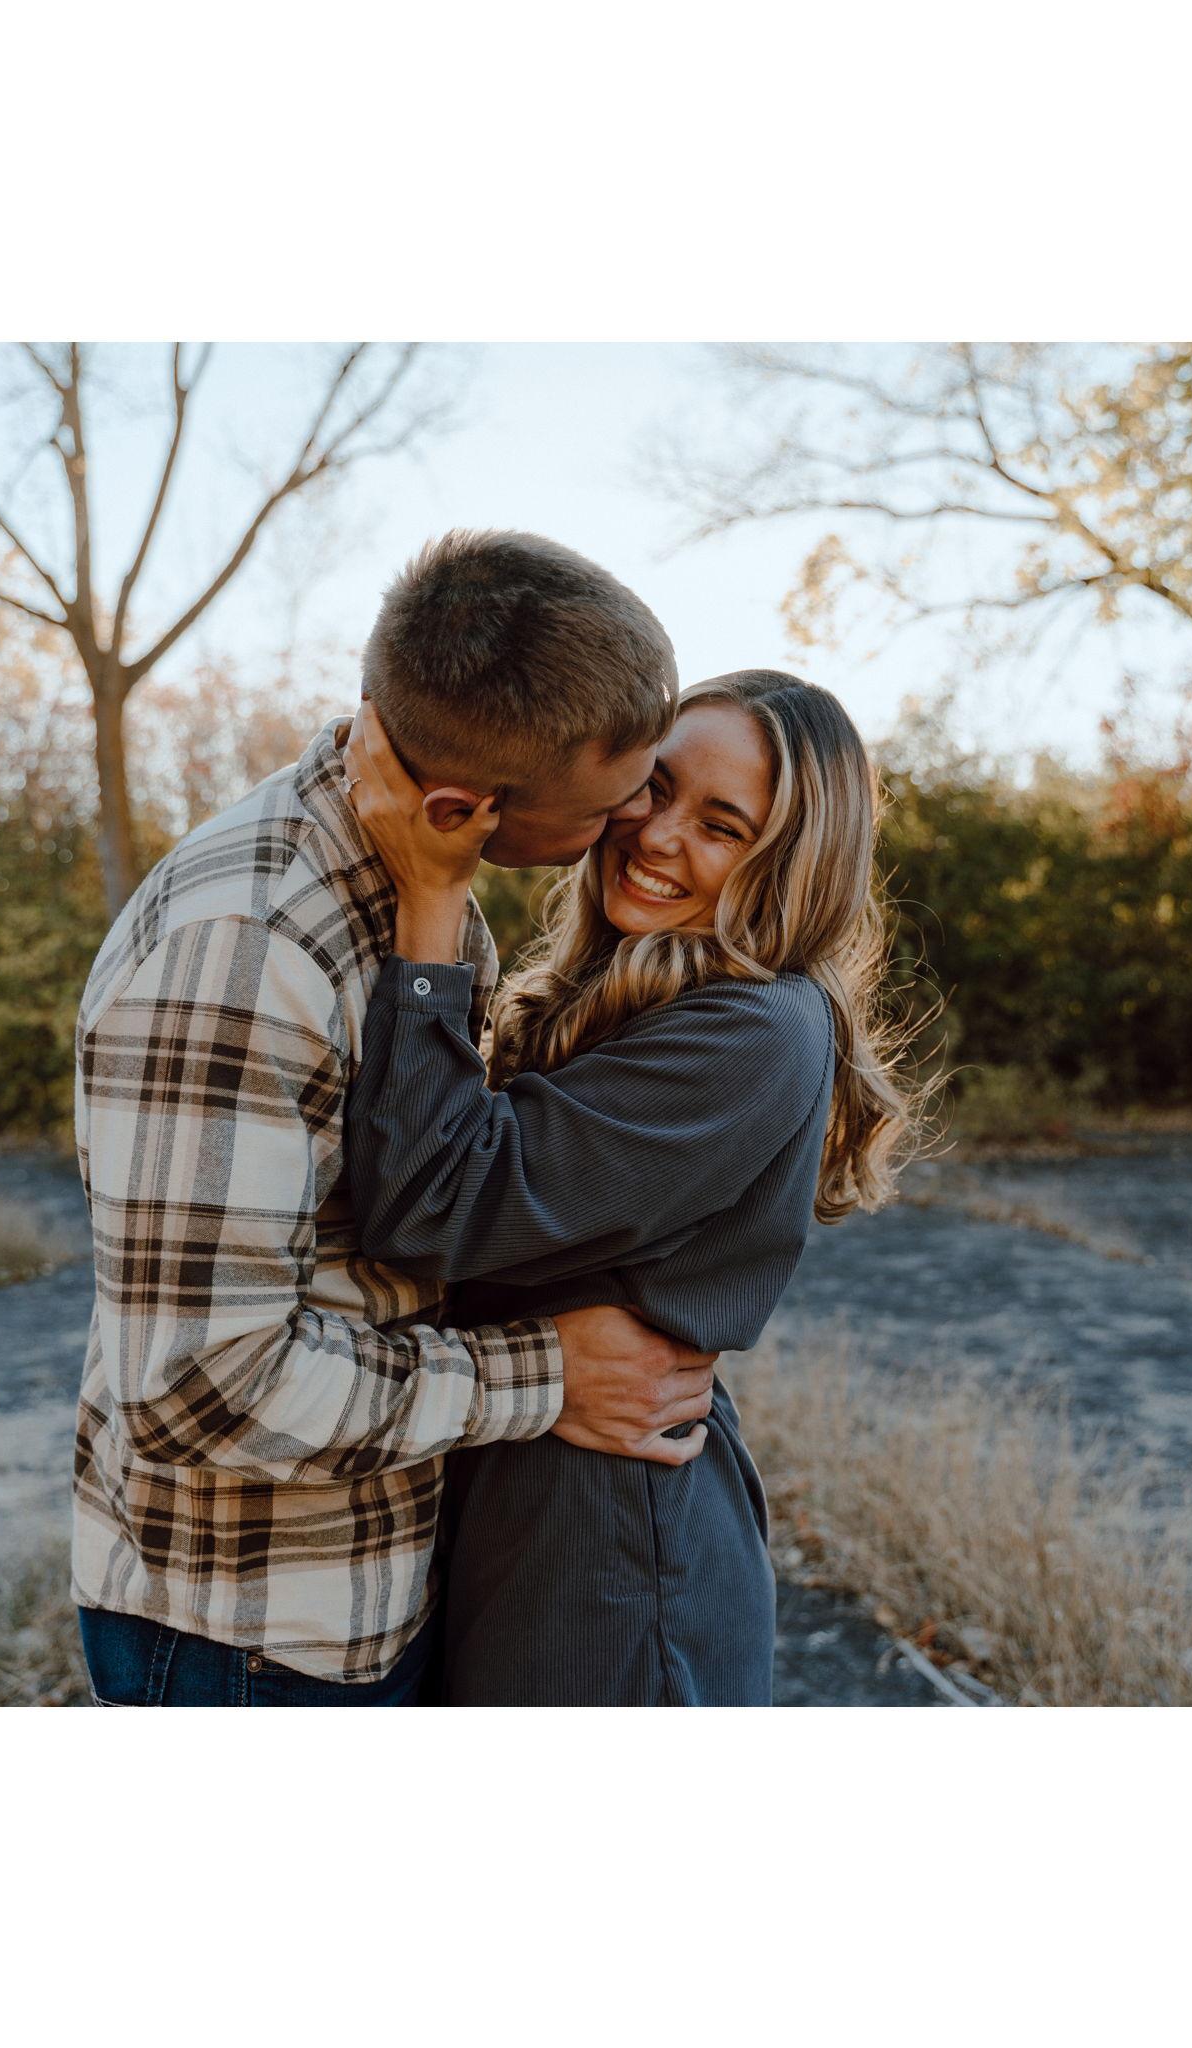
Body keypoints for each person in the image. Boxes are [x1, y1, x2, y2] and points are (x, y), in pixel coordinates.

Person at [71, 530, 717, 1707]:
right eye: (610, 801)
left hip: (366, 1584)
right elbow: (197, 1386)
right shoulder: (246, 953)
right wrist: (548, 1375)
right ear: (463, 801)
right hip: (254, 1634)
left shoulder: (421, 878)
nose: (637, 817)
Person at [341, 668, 916, 1704]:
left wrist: (432, 897)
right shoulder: (626, 995)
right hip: (529, 1501)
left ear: (789, 866)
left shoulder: (754, 1031)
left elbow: (433, 1202)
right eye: (655, 786)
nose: (656, 833)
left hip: (609, 1546)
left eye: (722, 825)